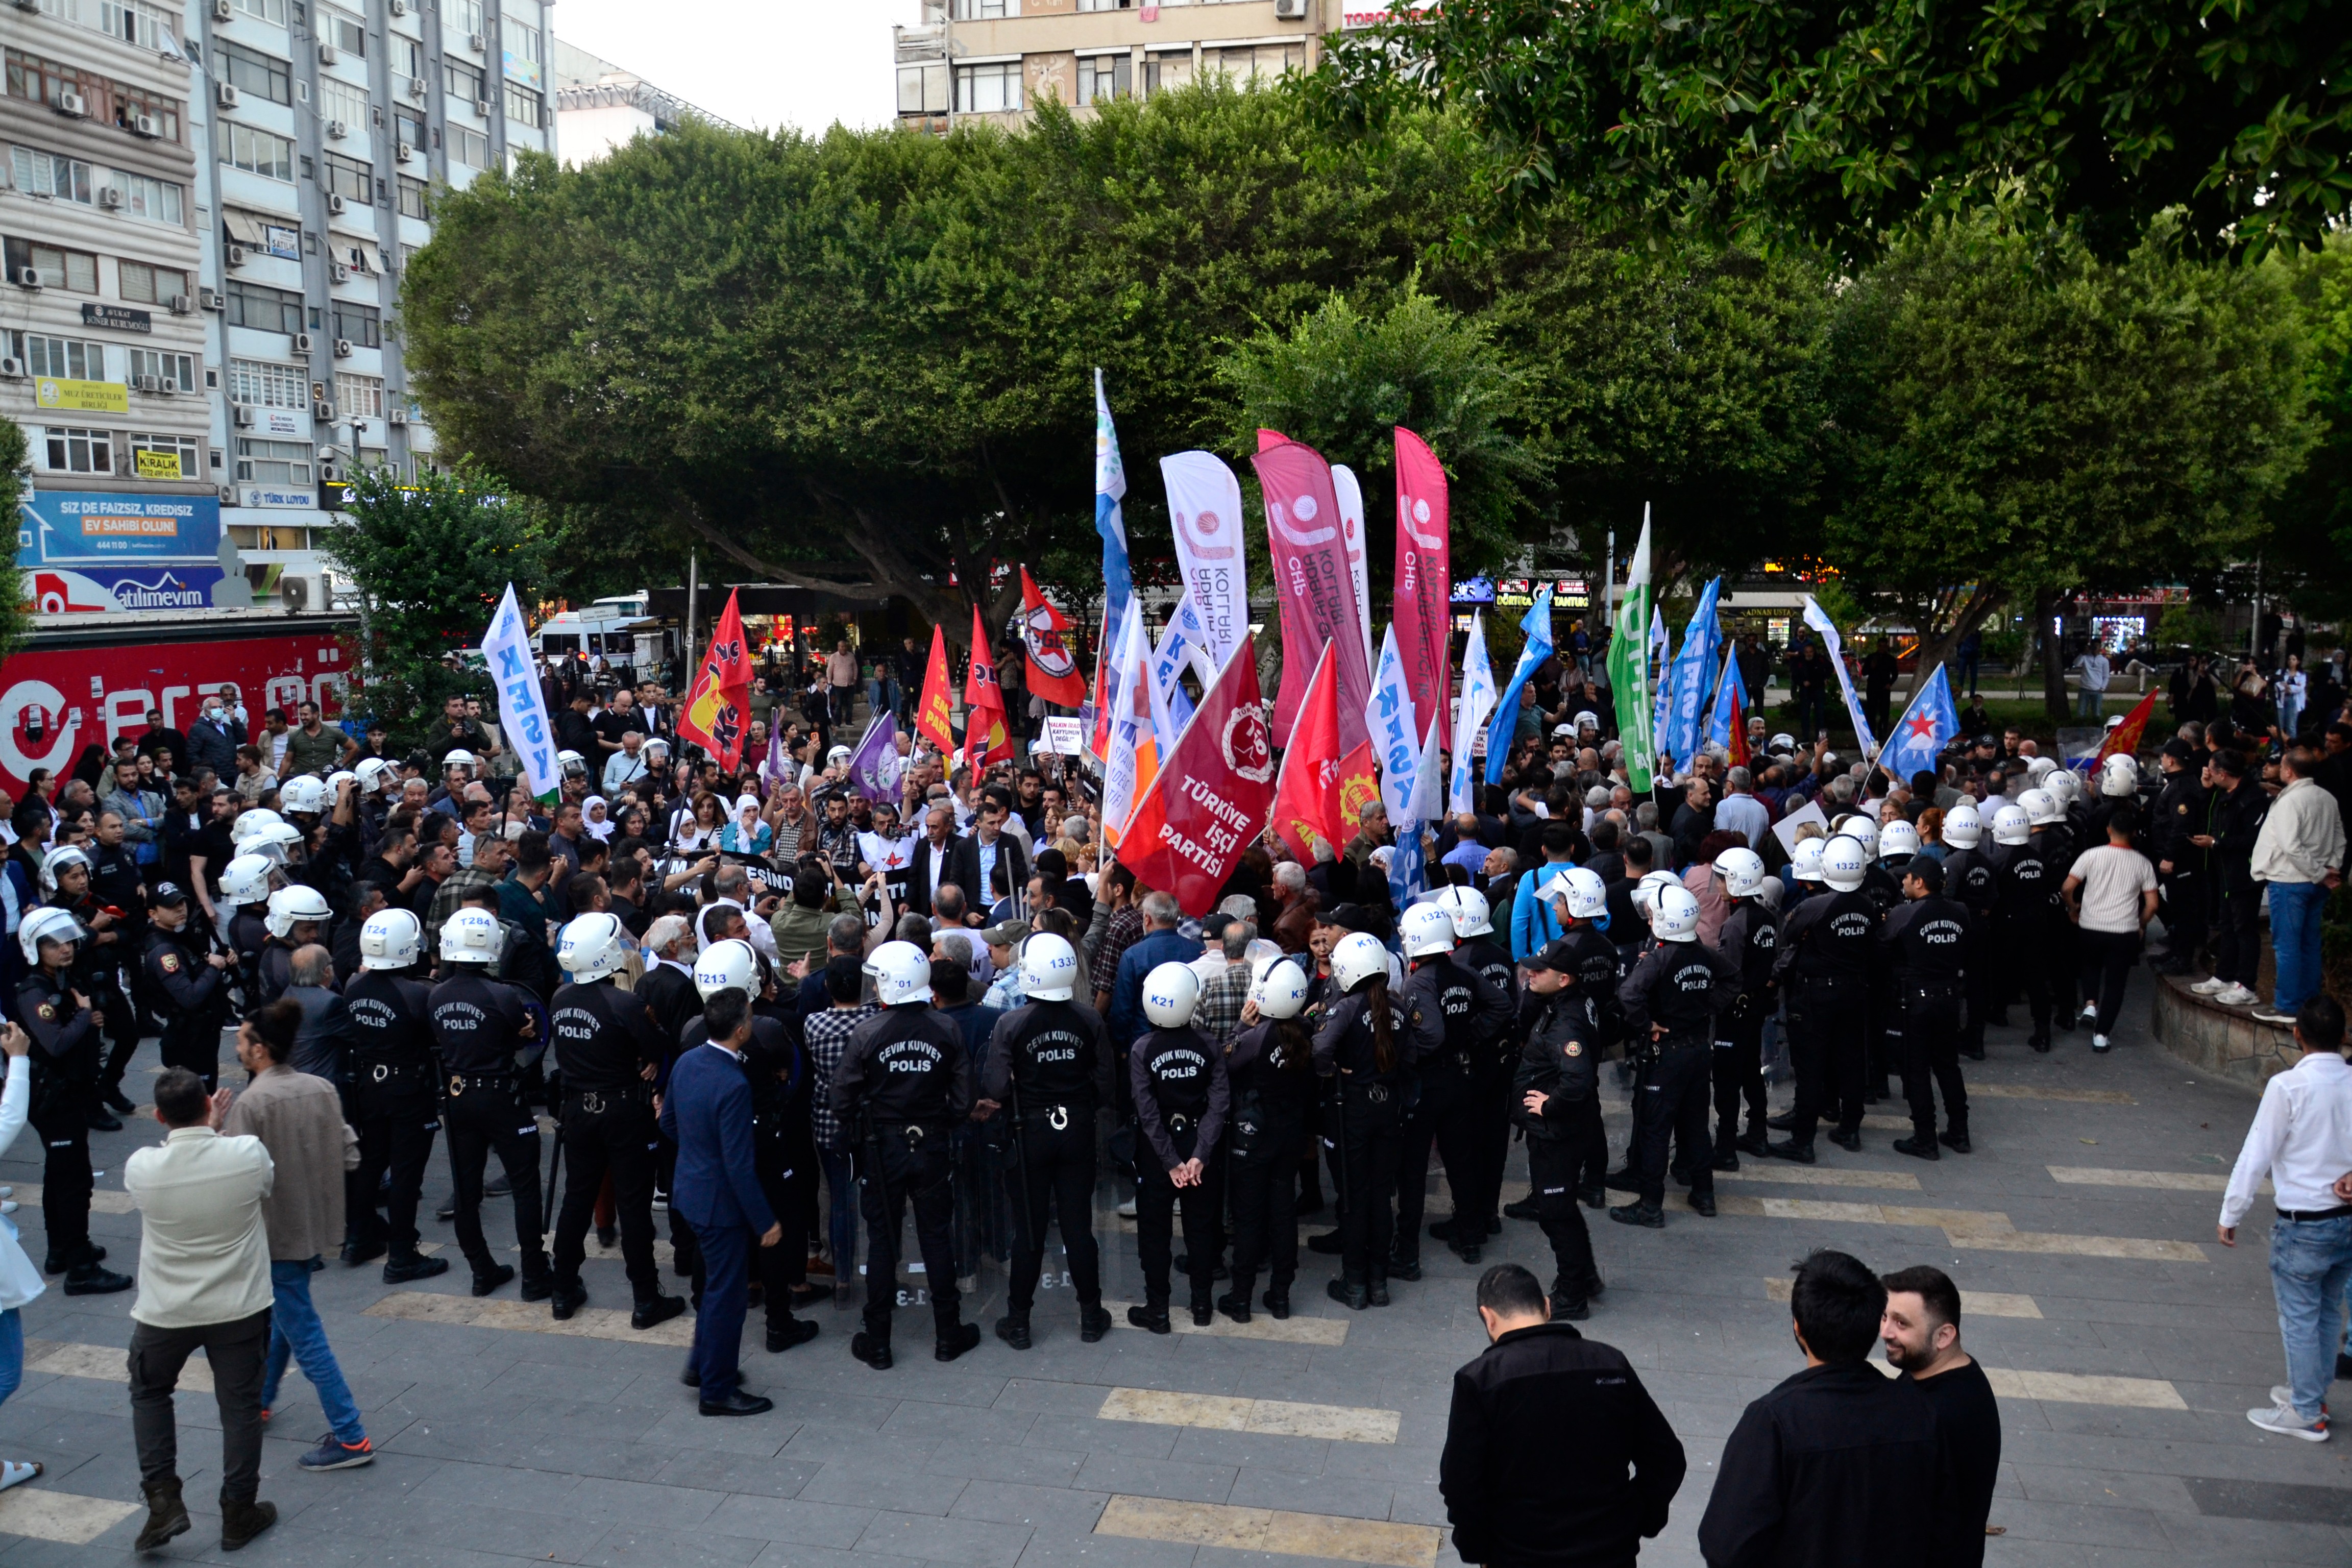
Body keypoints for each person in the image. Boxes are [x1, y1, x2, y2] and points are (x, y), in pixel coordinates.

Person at [1698, 1249, 1951, 1566]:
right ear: (1875, 1327)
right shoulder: (1920, 1412)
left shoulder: (1774, 1421)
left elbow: (1726, 1545)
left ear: (1798, 1327)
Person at [122, 1066, 279, 1553]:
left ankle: (164, 1501)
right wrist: (215, 1130)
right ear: (210, 1106)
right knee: (239, 1410)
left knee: (150, 1393)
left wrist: (201, 1129)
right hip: (239, 1306)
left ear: (158, 1115)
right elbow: (264, 1186)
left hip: (165, 1310)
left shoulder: (141, 1167)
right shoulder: (247, 1155)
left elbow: (179, 1159)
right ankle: (238, 1511)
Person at [1440, 1263, 1684, 1568]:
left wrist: (1479, 1550)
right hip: (1609, 1554)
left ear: (1488, 1317)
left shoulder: (1480, 1380)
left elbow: (1461, 1487)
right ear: (1546, 1307)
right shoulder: (1610, 1364)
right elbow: (1667, 1458)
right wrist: (1637, 1521)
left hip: (1518, 1555)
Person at [220, 999, 374, 1471]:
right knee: (286, 1317)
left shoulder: (251, 1103)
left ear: (260, 1050)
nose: (237, 1044)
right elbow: (351, 1155)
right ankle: (263, 1400)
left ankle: (350, 1436)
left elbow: (234, 1178)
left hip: (274, 1235)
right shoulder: (321, 1087)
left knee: (304, 1334)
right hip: (317, 1228)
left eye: (242, 1039)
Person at [829, 941, 981, 1368]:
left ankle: (878, 1341)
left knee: (883, 1241)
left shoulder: (867, 1032)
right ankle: (948, 1334)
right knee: (936, 1236)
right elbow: (964, 1096)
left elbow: (842, 1098)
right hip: (931, 1143)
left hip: (884, 1148)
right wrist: (942, 1121)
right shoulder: (946, 1028)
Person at [2219, 994, 2352, 1441]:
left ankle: (2305, 1409)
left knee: (2299, 1315)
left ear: (2297, 1035)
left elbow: (2257, 1153)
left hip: (2305, 1222)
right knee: (2328, 1310)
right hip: (2347, 1219)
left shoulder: (2289, 1087)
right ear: (2343, 1037)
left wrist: (2232, 1211)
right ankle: (2311, 1391)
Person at [548, 914, 687, 1329]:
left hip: (578, 1110)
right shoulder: (625, 1004)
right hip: (623, 1110)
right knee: (633, 1205)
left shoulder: (560, 999)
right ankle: (646, 1298)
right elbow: (656, 1045)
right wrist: (647, 1060)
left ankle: (563, 1288)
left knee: (577, 1198)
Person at [977, 933, 1112, 1348]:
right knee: (1078, 1228)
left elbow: (995, 1086)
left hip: (1030, 1132)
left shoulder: (1011, 1023)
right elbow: (1108, 1086)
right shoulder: (1089, 1019)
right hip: (1076, 1129)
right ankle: (1091, 1315)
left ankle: (1019, 1322)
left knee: (1029, 1232)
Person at [662, 986, 787, 1416]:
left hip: (691, 1191)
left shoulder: (687, 1061)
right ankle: (716, 1389)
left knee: (716, 1288)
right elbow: (738, 1165)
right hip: (721, 1204)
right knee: (726, 1298)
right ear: (741, 1031)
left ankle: (703, 1366)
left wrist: (699, 1154)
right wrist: (765, 1221)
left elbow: (669, 1122)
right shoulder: (734, 1084)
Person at [427, 906, 552, 1299]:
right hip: (500, 1094)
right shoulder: (502, 994)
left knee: (466, 1188)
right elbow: (518, 1037)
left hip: (459, 1095)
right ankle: (534, 1274)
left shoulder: (437, 995)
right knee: (525, 1184)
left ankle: (481, 1269)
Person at [1315, 932, 1438, 1309]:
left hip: (1352, 1111)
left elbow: (1321, 1049)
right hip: (1389, 1112)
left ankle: (1355, 1284)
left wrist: (1336, 1070)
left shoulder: (1347, 1008)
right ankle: (1379, 1283)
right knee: (1382, 1197)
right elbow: (1412, 1056)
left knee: (1354, 1197)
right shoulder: (1398, 1007)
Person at [13, 907, 130, 1292]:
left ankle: (60, 1250)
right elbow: (56, 1041)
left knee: (59, 1174)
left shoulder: (58, 980)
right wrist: (83, 1016)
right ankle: (80, 1269)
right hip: (54, 1098)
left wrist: (85, 1019)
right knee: (74, 1180)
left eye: (68, 940)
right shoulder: (35, 990)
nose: (65, 948)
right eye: (53, 943)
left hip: (68, 1093)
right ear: (34, 948)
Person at [1614, 885, 1739, 1226]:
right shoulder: (1704, 953)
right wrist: (1706, 1008)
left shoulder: (1660, 957)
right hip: (1699, 1050)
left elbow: (1628, 993)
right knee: (1695, 1126)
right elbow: (1732, 979)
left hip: (1667, 1053)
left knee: (1656, 1130)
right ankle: (1704, 1193)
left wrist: (1647, 1024)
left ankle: (1650, 1206)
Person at [341, 908, 449, 1282]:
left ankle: (358, 1236)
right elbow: (436, 1038)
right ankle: (402, 1255)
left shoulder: (354, 985)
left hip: (369, 1084)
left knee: (370, 1161)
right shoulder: (415, 994)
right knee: (406, 1173)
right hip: (407, 1087)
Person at [1125, 962, 1229, 1331]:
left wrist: (1171, 1162)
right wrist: (1200, 1155)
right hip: (1201, 1149)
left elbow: (1147, 1110)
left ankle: (1158, 1311)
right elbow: (1220, 1103)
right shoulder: (1209, 1045)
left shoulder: (1143, 1048)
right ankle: (1202, 1306)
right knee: (1202, 1230)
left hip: (1158, 1154)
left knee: (1154, 1234)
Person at [1880, 1265, 2001, 1566]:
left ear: (1944, 1336)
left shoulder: (1939, 1416)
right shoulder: (1943, 1374)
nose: (1886, 1332)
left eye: (1901, 1323)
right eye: (1885, 1317)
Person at [1511, 941, 1604, 1318]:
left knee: (1555, 1213)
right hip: (1569, 1129)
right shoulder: (1571, 1001)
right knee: (1563, 1207)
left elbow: (1577, 1079)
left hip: (1558, 1134)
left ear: (1564, 979)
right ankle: (1585, 1276)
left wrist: (1548, 1106)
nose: (1530, 975)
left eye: (1539, 971)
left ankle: (1571, 1295)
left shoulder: (1566, 1023)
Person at [1220, 957, 1314, 1324]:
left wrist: (1240, 1026)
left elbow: (1225, 1062)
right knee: (1283, 1212)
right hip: (1290, 1133)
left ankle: (1241, 1299)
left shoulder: (1256, 1037)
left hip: (1253, 1136)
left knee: (1248, 1218)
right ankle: (1280, 1297)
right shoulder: (1306, 1029)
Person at [1879, 858, 1972, 1159]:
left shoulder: (1904, 913)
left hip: (1917, 1001)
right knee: (1948, 1066)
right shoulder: (1960, 912)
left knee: (1916, 1070)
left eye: (1907, 878)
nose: (1903, 883)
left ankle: (1924, 1138)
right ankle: (1959, 1132)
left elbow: (1881, 945)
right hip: (1949, 998)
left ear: (1919, 882)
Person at [2250, 746, 2347, 1026]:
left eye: (2281, 765)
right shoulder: (2326, 797)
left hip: (2290, 882)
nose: (2279, 769)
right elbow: (2341, 837)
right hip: (2315, 882)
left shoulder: (2291, 803)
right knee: (2309, 944)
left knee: (2288, 946)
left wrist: (2321, 873)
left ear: (2289, 771)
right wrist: (2332, 869)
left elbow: (2291, 846)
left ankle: (2288, 1006)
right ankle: (2310, 1004)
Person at [2061, 806, 2160, 1051]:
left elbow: (2067, 888)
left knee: (2090, 967)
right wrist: (2140, 924)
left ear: (2108, 830)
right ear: (2135, 833)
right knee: (2116, 984)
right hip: (2124, 931)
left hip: (2090, 926)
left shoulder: (2091, 855)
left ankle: (2090, 1004)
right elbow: (2153, 904)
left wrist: (2073, 908)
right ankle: (2102, 1035)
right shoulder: (2143, 864)